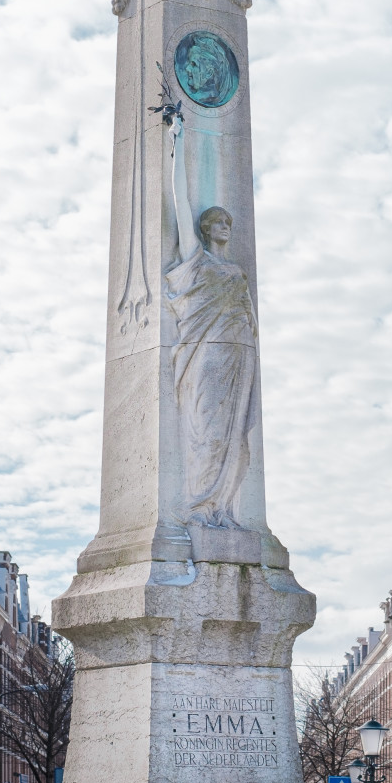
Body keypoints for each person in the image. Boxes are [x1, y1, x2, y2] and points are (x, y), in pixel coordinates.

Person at [165, 112, 259, 527]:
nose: (224, 225)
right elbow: (181, 203)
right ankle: (200, 507)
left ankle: (224, 507)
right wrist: (177, 143)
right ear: (206, 229)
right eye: (218, 221)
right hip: (206, 353)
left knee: (235, 437)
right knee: (205, 431)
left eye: (228, 222)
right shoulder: (196, 259)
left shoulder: (236, 271)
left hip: (240, 355)